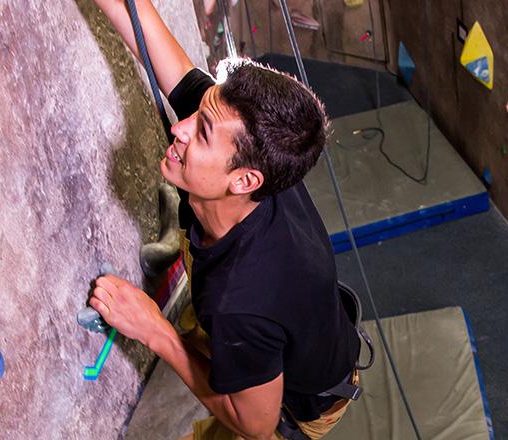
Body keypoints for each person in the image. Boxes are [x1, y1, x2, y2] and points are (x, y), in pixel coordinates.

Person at [84, 1, 361, 439]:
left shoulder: (242, 298)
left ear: (244, 180)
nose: (181, 127)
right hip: (299, 330)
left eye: (202, 131)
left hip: (298, 405)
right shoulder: (256, 150)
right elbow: (156, 49)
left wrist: (155, 330)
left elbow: (256, 423)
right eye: (198, 113)